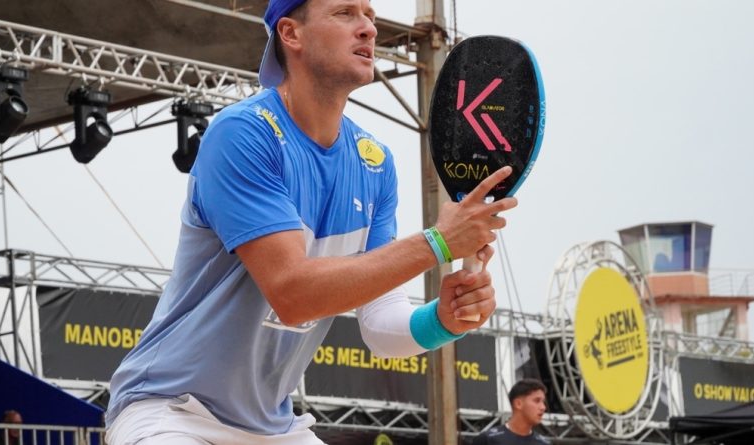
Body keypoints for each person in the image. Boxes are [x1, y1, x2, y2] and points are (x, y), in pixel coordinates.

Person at [105, 0, 518, 443]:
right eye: (345, 13)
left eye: (371, 17)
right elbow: (293, 293)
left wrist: (443, 318)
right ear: (291, 34)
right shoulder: (243, 133)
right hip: (171, 411)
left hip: (274, 427)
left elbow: (380, 325)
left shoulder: (374, 162)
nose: (368, 30)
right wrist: (437, 243)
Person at [474, 379, 549, 444]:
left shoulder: (543, 443)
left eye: (543, 402)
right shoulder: (488, 439)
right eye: (537, 401)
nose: (543, 407)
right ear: (518, 404)